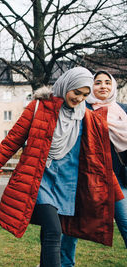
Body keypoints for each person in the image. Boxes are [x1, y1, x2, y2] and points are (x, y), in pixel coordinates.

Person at [0, 67, 124, 267]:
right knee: (54, 230)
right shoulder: (39, 108)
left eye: (85, 95)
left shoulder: (87, 118)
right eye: (76, 92)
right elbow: (11, 141)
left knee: (50, 233)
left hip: (67, 186)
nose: (80, 98)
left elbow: (100, 161)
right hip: (41, 180)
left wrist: (114, 192)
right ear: (66, 86)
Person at [60, 70, 127, 267]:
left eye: (107, 82)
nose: (103, 86)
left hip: (118, 180)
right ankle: (65, 264)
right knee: (74, 227)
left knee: (125, 222)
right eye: (98, 83)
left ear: (113, 86)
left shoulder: (123, 111)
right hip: (88, 180)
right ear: (91, 87)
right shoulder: (82, 109)